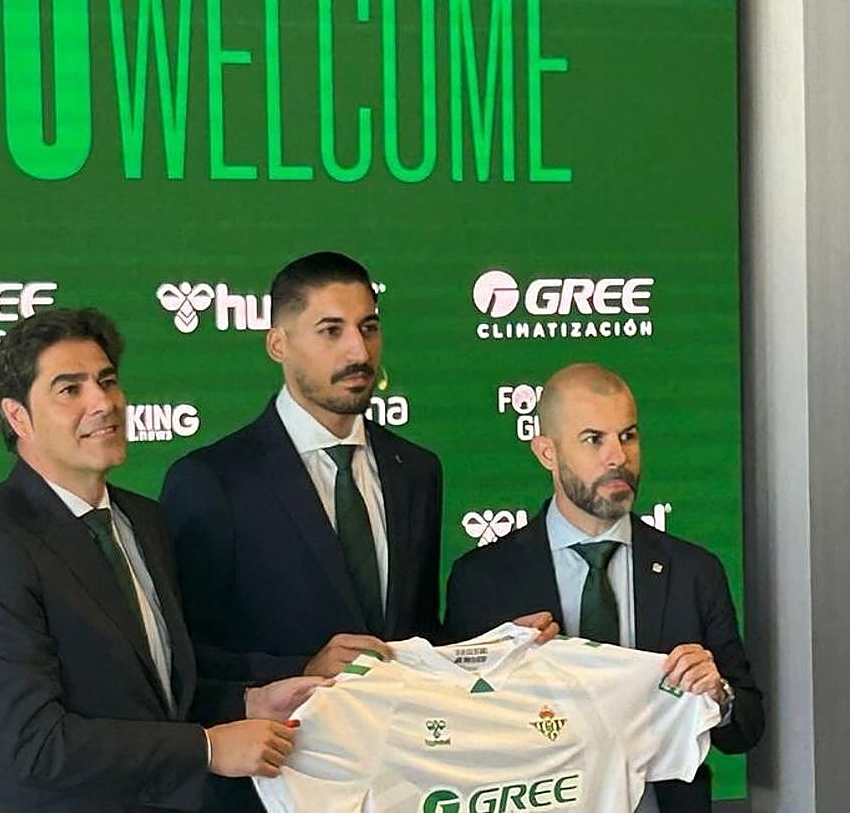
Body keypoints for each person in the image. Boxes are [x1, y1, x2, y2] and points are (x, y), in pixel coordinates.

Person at [161, 252, 556, 811]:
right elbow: (180, 663)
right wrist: (302, 668)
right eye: (331, 331)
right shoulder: (212, 481)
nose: (358, 351)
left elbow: (413, 639)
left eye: (369, 327)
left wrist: (494, 650)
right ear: (278, 344)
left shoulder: (416, 471)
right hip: (271, 787)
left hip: (403, 783)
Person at [0, 308, 319, 813]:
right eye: (70, 390)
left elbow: (150, 693)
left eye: (107, 381)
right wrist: (206, 748)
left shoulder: (145, 521)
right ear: (17, 416)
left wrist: (251, 702)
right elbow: (31, 743)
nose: (103, 403)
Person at [445, 363, 764, 813]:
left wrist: (719, 696)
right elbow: (454, 734)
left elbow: (747, 726)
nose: (617, 457)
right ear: (546, 452)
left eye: (628, 436)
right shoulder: (483, 579)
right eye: (594, 439)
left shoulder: (694, 571)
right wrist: (497, 665)